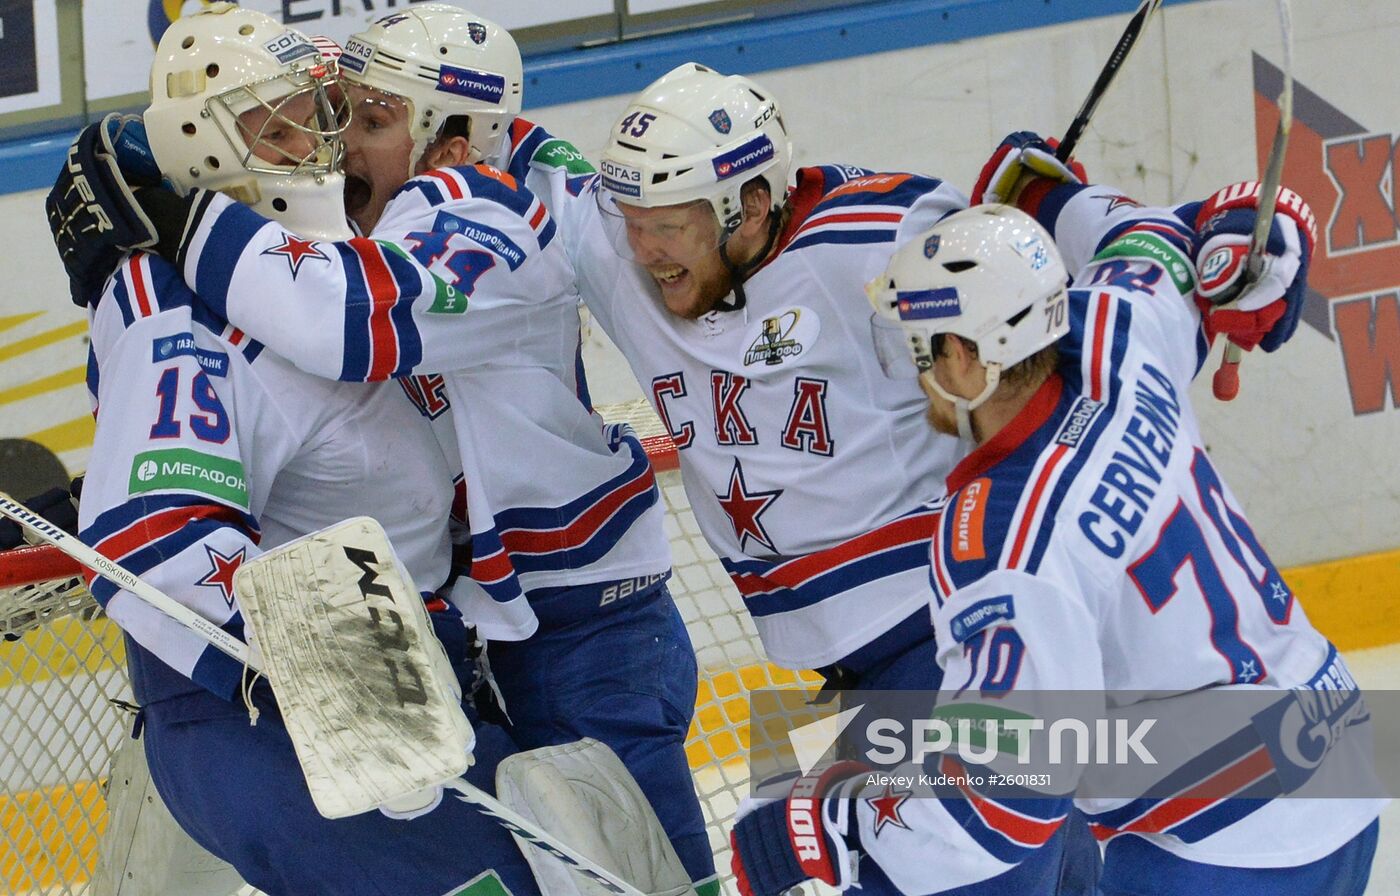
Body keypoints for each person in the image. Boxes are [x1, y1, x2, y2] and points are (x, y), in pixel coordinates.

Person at [51, 7, 716, 890]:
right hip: (284, 710)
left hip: (491, 659)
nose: (321, 142)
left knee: (628, 877)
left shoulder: (404, 232)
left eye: (331, 114)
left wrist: (171, 202)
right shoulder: (176, 302)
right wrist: (335, 664)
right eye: (275, 122)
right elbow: (159, 541)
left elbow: (341, 316)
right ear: (196, 142)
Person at [725, 161, 1385, 895]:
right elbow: (1163, 237)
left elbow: (1009, 797)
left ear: (970, 359)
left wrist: (828, 825)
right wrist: (1048, 194)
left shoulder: (1001, 542)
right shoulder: (1115, 330)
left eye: (922, 346)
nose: (912, 368)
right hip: (1341, 747)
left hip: (1232, 847)